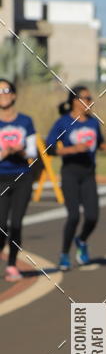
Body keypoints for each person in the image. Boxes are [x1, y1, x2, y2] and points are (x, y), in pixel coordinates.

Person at [46, 86, 106, 271]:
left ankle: (82, 240)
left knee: (92, 216)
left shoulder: (93, 123)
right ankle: (64, 255)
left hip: (88, 173)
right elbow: (50, 147)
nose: (90, 101)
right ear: (75, 101)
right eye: (86, 98)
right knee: (74, 215)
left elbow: (98, 141)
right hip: (70, 172)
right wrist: (72, 149)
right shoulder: (63, 122)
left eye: (90, 97)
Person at [0, 79, 36, 281]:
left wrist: (20, 150)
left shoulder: (25, 121)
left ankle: (12, 265)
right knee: (1, 224)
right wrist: (4, 153)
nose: (3, 94)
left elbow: (32, 150)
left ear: (14, 94)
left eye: (6, 90)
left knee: (16, 224)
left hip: (22, 176)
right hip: (0, 177)